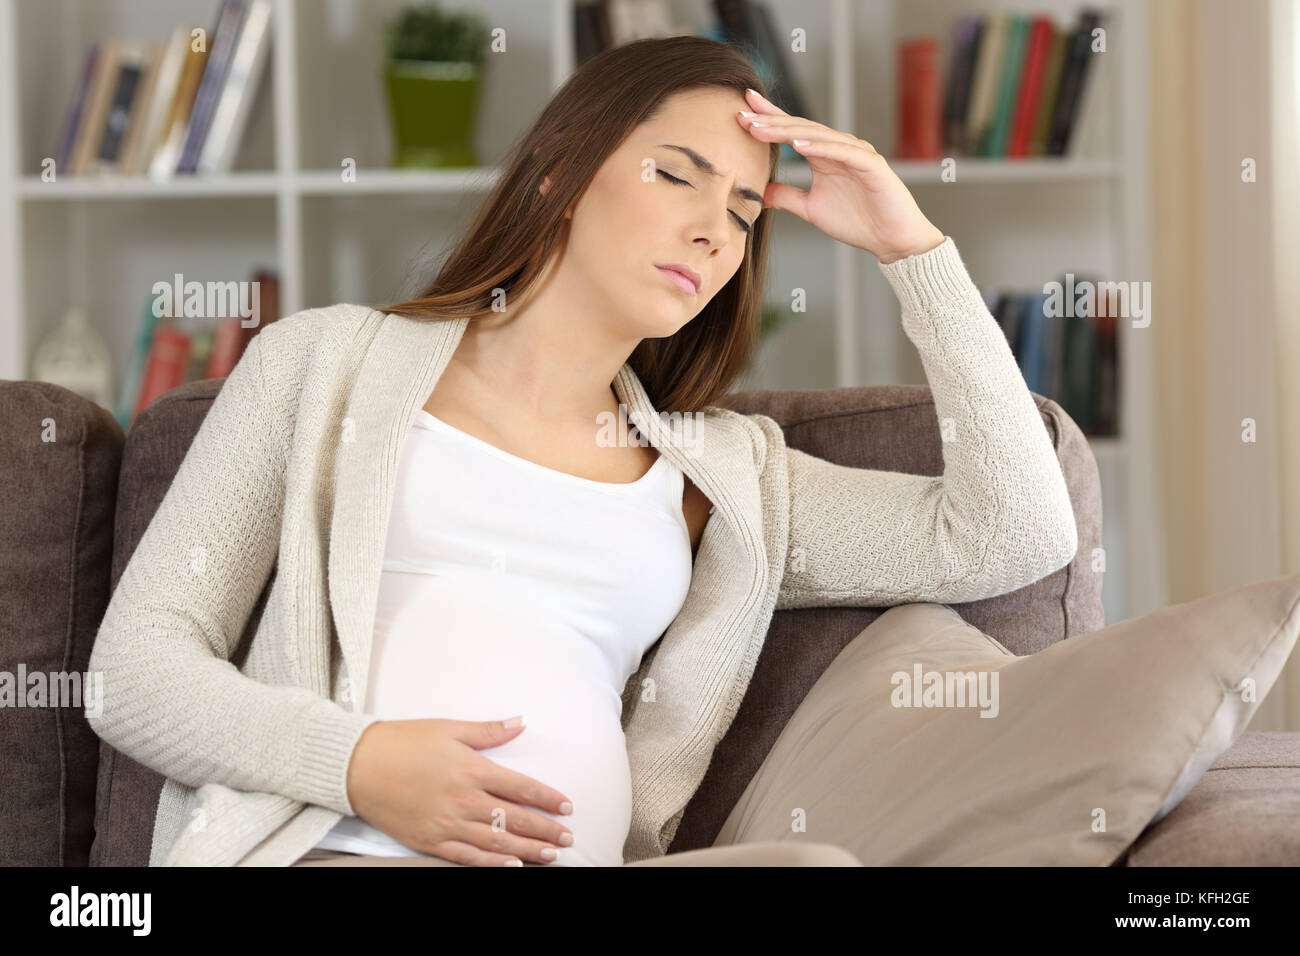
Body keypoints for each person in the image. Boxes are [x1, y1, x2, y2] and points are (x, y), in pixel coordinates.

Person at [86, 36, 1077, 868]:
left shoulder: (719, 477)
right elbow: (132, 669)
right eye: (677, 174)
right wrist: (357, 762)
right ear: (560, 172)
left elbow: (1011, 533)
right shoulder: (325, 364)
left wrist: (912, 248)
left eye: (740, 211)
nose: (710, 231)